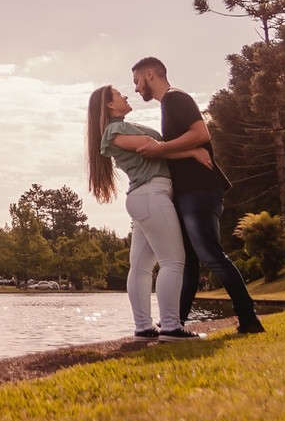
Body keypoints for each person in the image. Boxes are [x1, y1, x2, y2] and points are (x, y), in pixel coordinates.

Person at [131, 56, 265, 335]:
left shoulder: (175, 98)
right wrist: (173, 151)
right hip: (187, 193)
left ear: (150, 74)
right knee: (189, 262)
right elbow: (184, 147)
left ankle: (249, 318)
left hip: (200, 190)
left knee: (210, 254)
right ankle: (174, 323)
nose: (135, 89)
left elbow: (201, 133)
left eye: (137, 81)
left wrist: (160, 149)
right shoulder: (168, 104)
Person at [87, 85, 207, 342]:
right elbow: (151, 147)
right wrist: (193, 150)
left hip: (145, 197)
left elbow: (156, 147)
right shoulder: (114, 129)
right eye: (119, 94)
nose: (126, 96)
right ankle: (172, 328)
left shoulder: (123, 126)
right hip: (151, 194)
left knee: (141, 267)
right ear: (109, 104)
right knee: (173, 261)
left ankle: (144, 328)